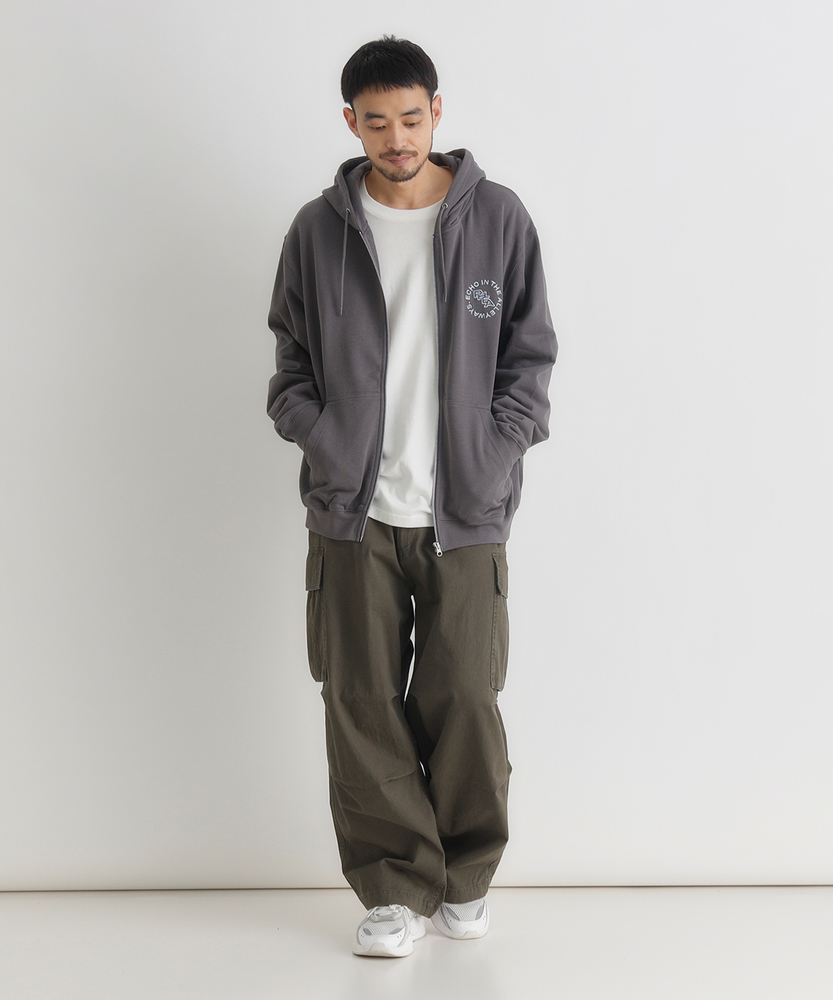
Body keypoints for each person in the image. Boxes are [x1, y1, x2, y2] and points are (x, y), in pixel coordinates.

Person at [266, 35, 557, 958]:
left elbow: (529, 361)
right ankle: (393, 887)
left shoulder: (497, 219)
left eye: (410, 118)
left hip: (465, 512)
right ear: (350, 123)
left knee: (464, 693)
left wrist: (494, 448)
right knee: (359, 700)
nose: (396, 138)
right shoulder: (317, 231)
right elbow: (288, 365)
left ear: (436, 111)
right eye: (376, 122)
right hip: (351, 513)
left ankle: (464, 878)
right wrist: (323, 435)